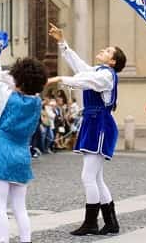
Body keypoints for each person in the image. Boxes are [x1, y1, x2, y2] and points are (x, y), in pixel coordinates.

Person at [46, 23, 126, 236]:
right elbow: (79, 67)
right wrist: (62, 42)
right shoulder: (100, 71)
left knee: (88, 177)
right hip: (94, 121)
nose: (103, 50)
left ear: (113, 61)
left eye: (108, 51)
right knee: (96, 178)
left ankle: (91, 223)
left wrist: (61, 79)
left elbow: (86, 80)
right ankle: (110, 223)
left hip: (100, 123)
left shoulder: (107, 75)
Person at [0, 55, 47, 243]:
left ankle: (3, 241)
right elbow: (17, 83)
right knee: (20, 206)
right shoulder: (36, 101)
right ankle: (26, 240)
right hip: (22, 152)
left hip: (3, 151)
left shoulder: (8, 97)